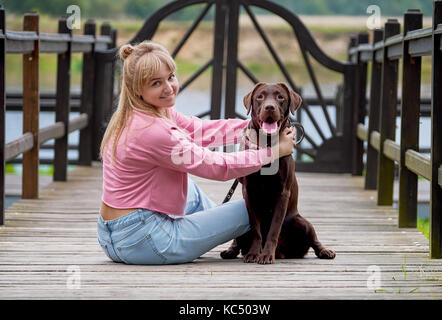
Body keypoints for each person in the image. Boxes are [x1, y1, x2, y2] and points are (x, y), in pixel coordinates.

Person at [97, 40, 296, 265]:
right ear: (137, 89)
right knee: (254, 207)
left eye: (170, 77)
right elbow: (217, 166)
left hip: (111, 235)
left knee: (188, 189)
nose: (168, 87)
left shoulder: (142, 113)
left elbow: (198, 130)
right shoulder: (154, 131)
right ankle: (233, 227)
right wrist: (276, 151)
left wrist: (259, 125)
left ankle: (225, 226)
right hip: (147, 241)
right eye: (155, 83)